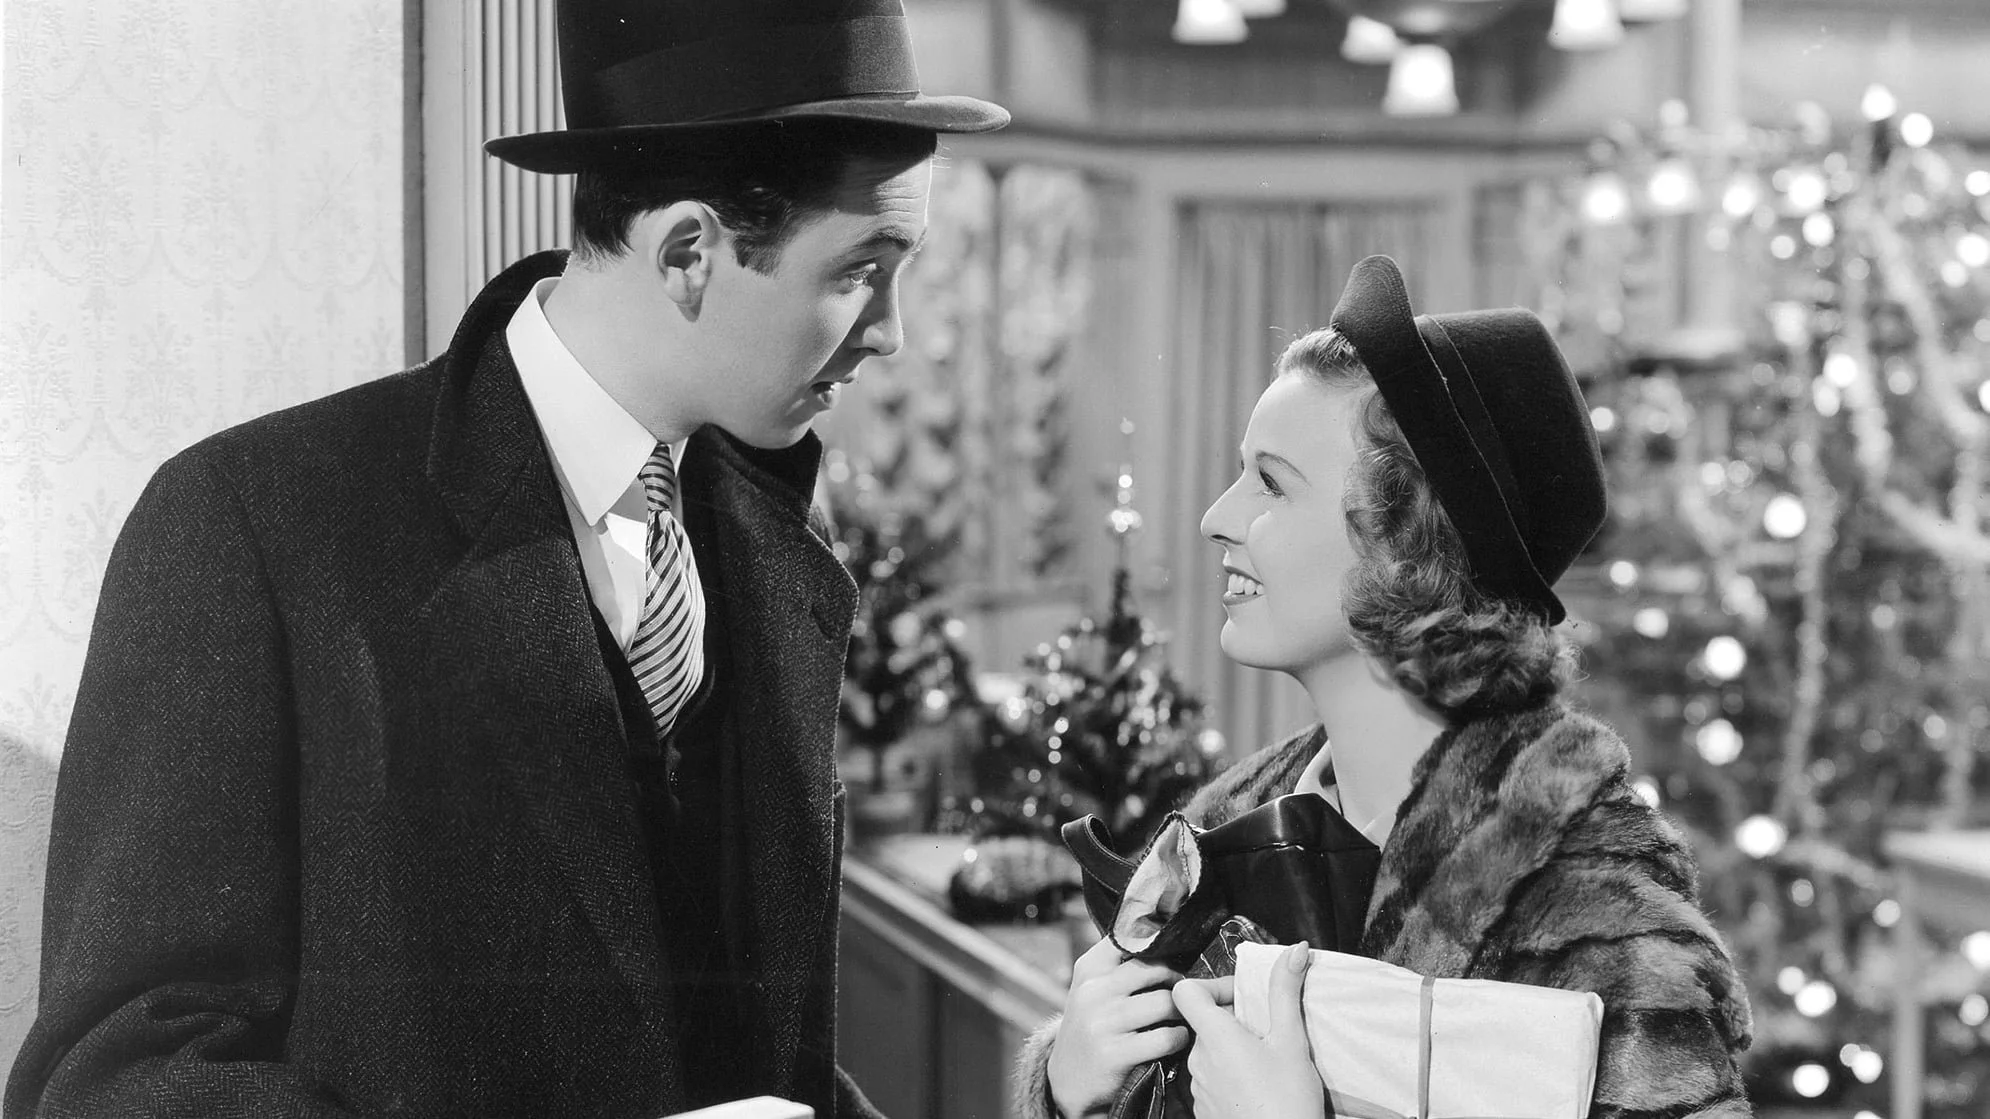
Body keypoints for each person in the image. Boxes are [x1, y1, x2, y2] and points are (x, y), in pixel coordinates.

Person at [7, 3, 1006, 1117]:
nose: (890, 333)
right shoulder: (255, 522)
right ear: (687, 253)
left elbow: (745, 1074)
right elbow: (111, 1085)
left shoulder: (778, 552)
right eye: (862, 270)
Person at [1018, 255, 1753, 1119]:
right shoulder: (1223, 832)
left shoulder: (1602, 917)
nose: (1218, 515)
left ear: (1406, 544)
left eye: (1270, 482)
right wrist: (1071, 1092)